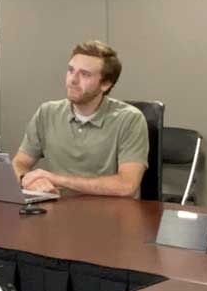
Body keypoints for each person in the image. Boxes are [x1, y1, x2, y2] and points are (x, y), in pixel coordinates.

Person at [12, 41, 149, 197]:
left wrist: (57, 179)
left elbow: (126, 185)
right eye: (71, 70)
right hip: (56, 211)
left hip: (108, 214)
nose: (73, 80)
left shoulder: (130, 119)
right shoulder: (47, 112)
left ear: (105, 84)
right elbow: (19, 163)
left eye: (85, 74)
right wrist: (26, 179)